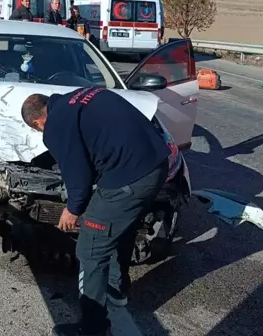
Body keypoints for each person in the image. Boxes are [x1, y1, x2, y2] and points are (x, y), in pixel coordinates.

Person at [21, 88, 170, 336]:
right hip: (157, 165)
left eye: (37, 129)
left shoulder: (56, 125)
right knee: (122, 227)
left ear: (38, 122)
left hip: (127, 179)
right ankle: (116, 290)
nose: (41, 132)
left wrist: (72, 209)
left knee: (89, 249)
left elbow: (78, 176)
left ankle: (92, 328)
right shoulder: (85, 94)